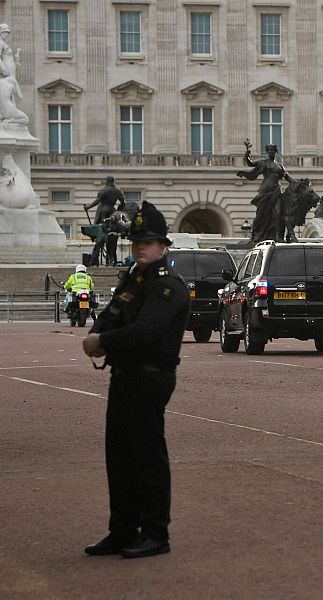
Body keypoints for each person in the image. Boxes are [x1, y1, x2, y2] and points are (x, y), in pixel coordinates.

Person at [82, 201, 189, 559]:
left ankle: (156, 532)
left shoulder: (167, 286)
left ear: (163, 246)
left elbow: (147, 331)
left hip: (151, 376)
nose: (141, 246)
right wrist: (98, 333)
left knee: (146, 455)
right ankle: (123, 529)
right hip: (124, 375)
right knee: (119, 456)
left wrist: (103, 342)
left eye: (148, 241)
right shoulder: (132, 280)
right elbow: (111, 313)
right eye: (137, 241)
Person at [236, 140, 293, 244]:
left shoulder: (279, 165)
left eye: (273, 150)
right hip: (265, 191)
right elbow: (250, 164)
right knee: (260, 214)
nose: (271, 152)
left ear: (276, 151)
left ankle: (277, 236)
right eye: (269, 150)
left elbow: (288, 177)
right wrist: (247, 154)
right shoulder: (263, 162)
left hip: (276, 191)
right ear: (267, 151)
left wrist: (298, 184)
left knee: (278, 213)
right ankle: (254, 235)